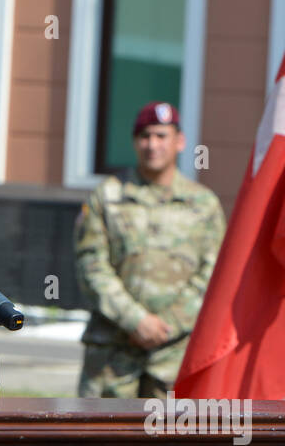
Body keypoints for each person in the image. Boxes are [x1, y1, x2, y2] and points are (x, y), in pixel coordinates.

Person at [74, 101, 225, 398]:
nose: (152, 145)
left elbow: (215, 276)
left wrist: (167, 324)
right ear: (134, 142)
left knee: (171, 445)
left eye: (161, 135)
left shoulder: (203, 205)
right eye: (144, 136)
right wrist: (136, 320)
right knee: (102, 443)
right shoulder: (107, 197)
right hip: (112, 357)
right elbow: (91, 267)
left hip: (176, 356)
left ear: (180, 141)